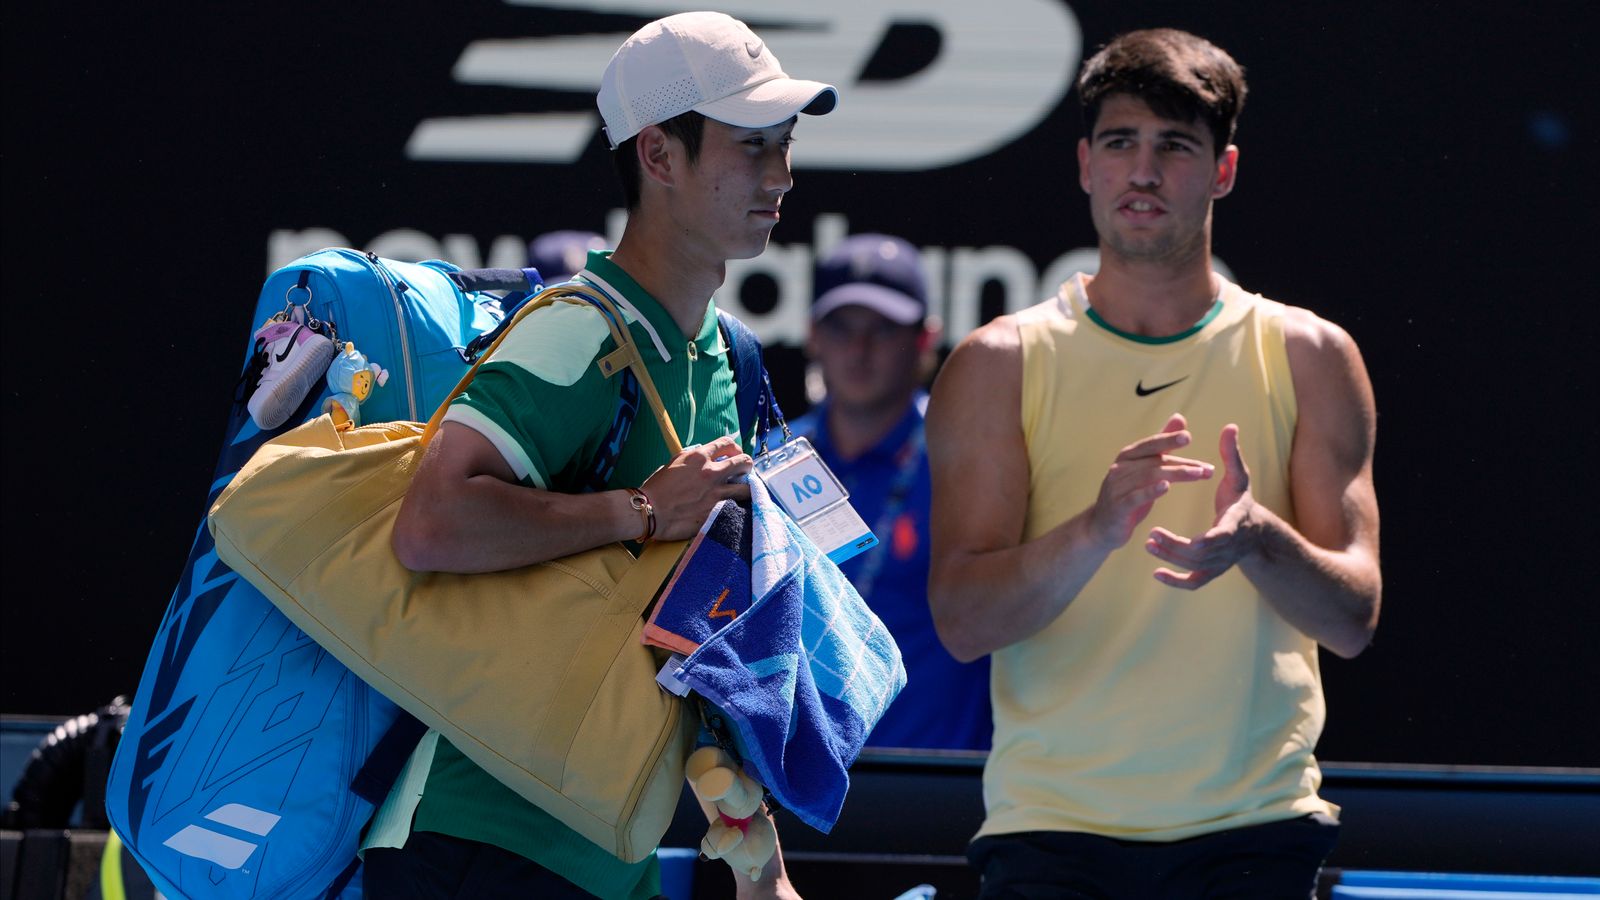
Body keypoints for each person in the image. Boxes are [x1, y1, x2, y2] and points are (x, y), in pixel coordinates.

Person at [369, 12, 836, 899]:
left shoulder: (731, 355)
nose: (779, 175)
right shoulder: (575, 333)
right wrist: (644, 511)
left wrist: (761, 855)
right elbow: (430, 524)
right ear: (659, 156)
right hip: (478, 836)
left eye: (784, 146)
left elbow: (718, 618)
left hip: (609, 845)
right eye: (750, 147)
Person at [925, 28, 1381, 898]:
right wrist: (1095, 530)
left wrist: (1261, 541)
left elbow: (1354, 618)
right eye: (1121, 143)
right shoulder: (998, 363)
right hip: (1050, 832)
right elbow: (963, 622)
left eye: (1175, 147)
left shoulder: (1312, 354)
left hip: (1255, 832)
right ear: (1085, 165)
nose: (1143, 171)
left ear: (1223, 171)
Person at [789, 233, 990, 751]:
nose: (859, 350)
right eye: (842, 327)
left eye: (883, 330)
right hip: (796, 784)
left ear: (925, 340)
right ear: (813, 335)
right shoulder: (774, 461)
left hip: (933, 788)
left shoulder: (968, 459)